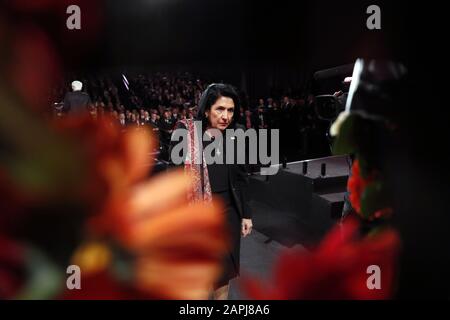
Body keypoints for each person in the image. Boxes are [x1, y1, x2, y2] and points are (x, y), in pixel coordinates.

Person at [170, 83, 253, 300]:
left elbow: (242, 176)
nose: (226, 116)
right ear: (206, 109)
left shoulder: (239, 133)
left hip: (229, 212)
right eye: (220, 109)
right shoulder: (185, 132)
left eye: (230, 110)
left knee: (223, 274)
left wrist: (246, 214)